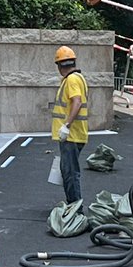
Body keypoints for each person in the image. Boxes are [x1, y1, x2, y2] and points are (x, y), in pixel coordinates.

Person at [52, 45, 89, 205]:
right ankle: (73, 205)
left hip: (71, 135)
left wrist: (66, 125)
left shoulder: (72, 80)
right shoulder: (77, 78)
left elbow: (77, 101)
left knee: (70, 173)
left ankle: (75, 209)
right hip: (73, 135)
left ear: (60, 66)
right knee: (67, 171)